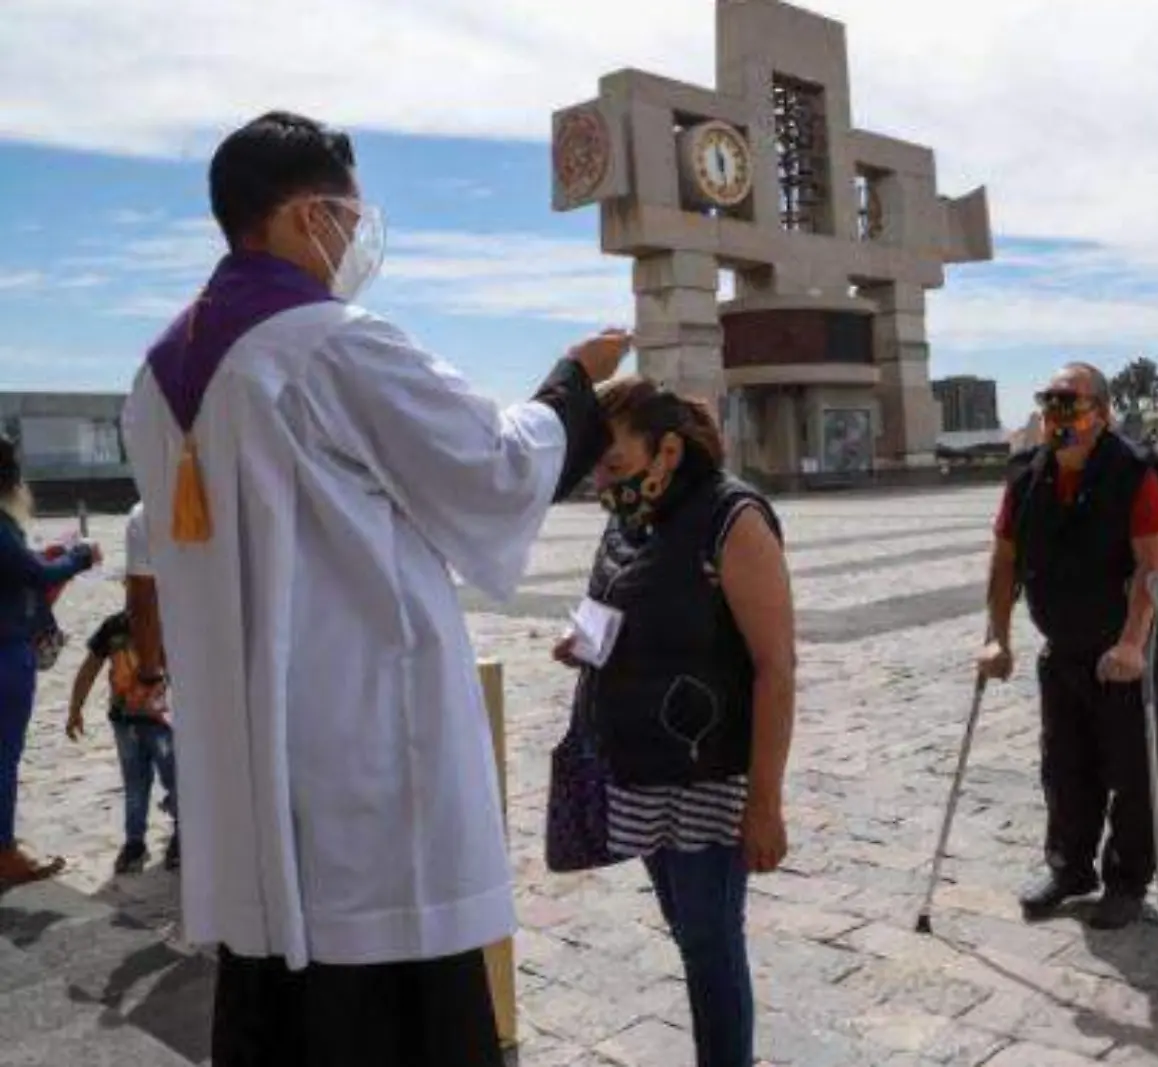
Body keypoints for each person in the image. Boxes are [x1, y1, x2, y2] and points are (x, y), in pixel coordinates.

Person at [120, 111, 629, 1066]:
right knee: (398, 1010)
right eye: (346, 217)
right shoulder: (333, 344)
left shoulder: (154, 379)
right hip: (366, 749)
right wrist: (575, 380)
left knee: (279, 1006)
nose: (353, 239)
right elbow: (490, 468)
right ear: (308, 213)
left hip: (242, 763)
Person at [553, 379, 794, 1067]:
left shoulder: (733, 517)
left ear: (666, 450)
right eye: (596, 467)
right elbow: (612, 598)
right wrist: (584, 640)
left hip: (708, 774)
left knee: (711, 942)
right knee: (691, 935)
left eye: (615, 465)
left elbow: (776, 667)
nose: (603, 481)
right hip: (642, 766)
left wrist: (765, 805)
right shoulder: (634, 511)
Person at [979, 364, 1158, 930]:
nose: (1058, 414)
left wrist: (1134, 642)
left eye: (1070, 402)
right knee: (1063, 765)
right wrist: (997, 637)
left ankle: (1128, 879)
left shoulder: (1133, 472)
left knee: (1132, 772)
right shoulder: (1025, 476)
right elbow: (1005, 559)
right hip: (1061, 647)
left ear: (1102, 414)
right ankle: (1070, 868)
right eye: (1050, 401)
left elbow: (1153, 565)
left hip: (1122, 652)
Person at [0, 437, 101, 886]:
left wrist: (49, 556)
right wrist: (78, 557)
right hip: (5, 651)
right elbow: (35, 574)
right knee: (5, 756)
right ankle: (5, 855)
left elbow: (20, 566)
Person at [66, 603, 178, 874]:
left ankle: (180, 836)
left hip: (162, 721)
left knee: (174, 779)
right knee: (137, 783)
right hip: (125, 721)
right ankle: (135, 842)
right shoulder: (114, 627)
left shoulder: (171, 622)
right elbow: (90, 667)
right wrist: (75, 708)